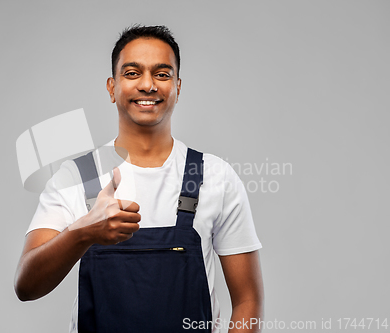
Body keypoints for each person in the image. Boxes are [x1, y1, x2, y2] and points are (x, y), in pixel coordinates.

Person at [15, 25, 264, 333]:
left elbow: (247, 301)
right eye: (132, 73)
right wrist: (82, 233)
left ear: (178, 86)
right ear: (111, 87)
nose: (148, 85)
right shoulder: (77, 177)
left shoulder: (216, 176)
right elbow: (26, 286)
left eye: (162, 74)